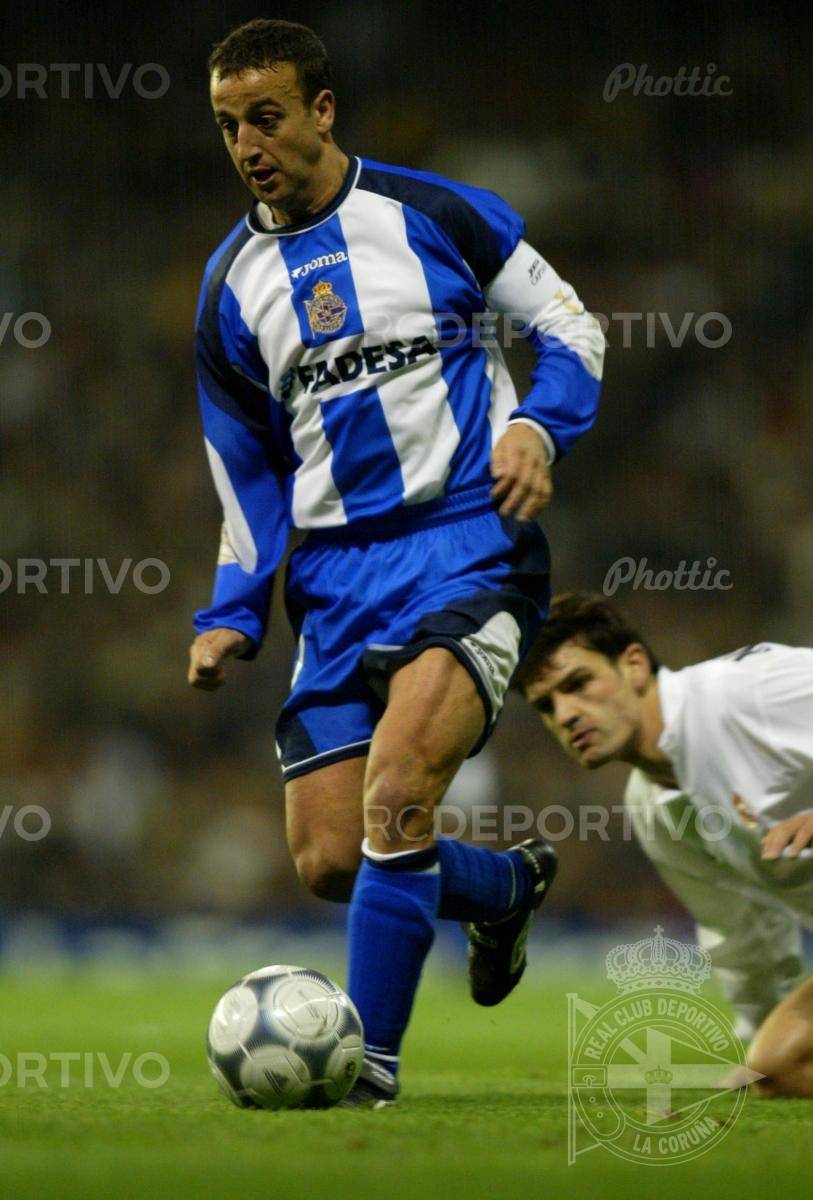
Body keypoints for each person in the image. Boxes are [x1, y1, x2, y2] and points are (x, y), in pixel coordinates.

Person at [187, 18, 604, 1105]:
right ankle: (502, 890)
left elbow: (571, 328)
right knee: (331, 859)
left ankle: (366, 1069)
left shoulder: (437, 215)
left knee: (399, 786)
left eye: (266, 117)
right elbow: (246, 470)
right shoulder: (230, 286)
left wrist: (538, 426)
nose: (247, 145)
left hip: (469, 544)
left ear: (322, 110)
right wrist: (231, 609)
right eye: (229, 126)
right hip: (335, 582)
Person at [516, 591, 813, 1098]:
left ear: (634, 665)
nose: (565, 714)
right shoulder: (651, 805)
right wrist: (760, 1045)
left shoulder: (749, 691)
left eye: (578, 684)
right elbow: (740, 930)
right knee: (779, 1066)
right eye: (547, 705)